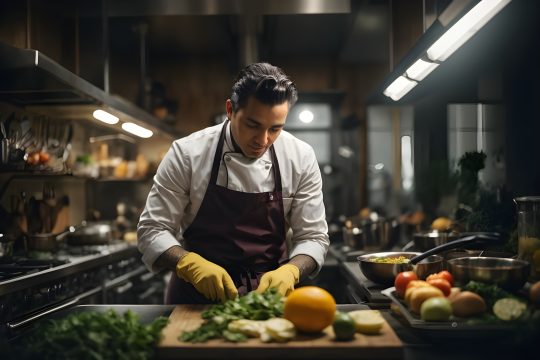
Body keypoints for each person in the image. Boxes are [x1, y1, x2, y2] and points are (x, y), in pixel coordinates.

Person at [137, 62, 329, 304]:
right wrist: (189, 264)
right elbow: (152, 229)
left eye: (275, 129)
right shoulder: (187, 154)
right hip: (195, 296)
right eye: (253, 125)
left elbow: (313, 237)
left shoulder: (300, 156)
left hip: (269, 298)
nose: (263, 140)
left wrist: (291, 271)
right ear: (230, 109)